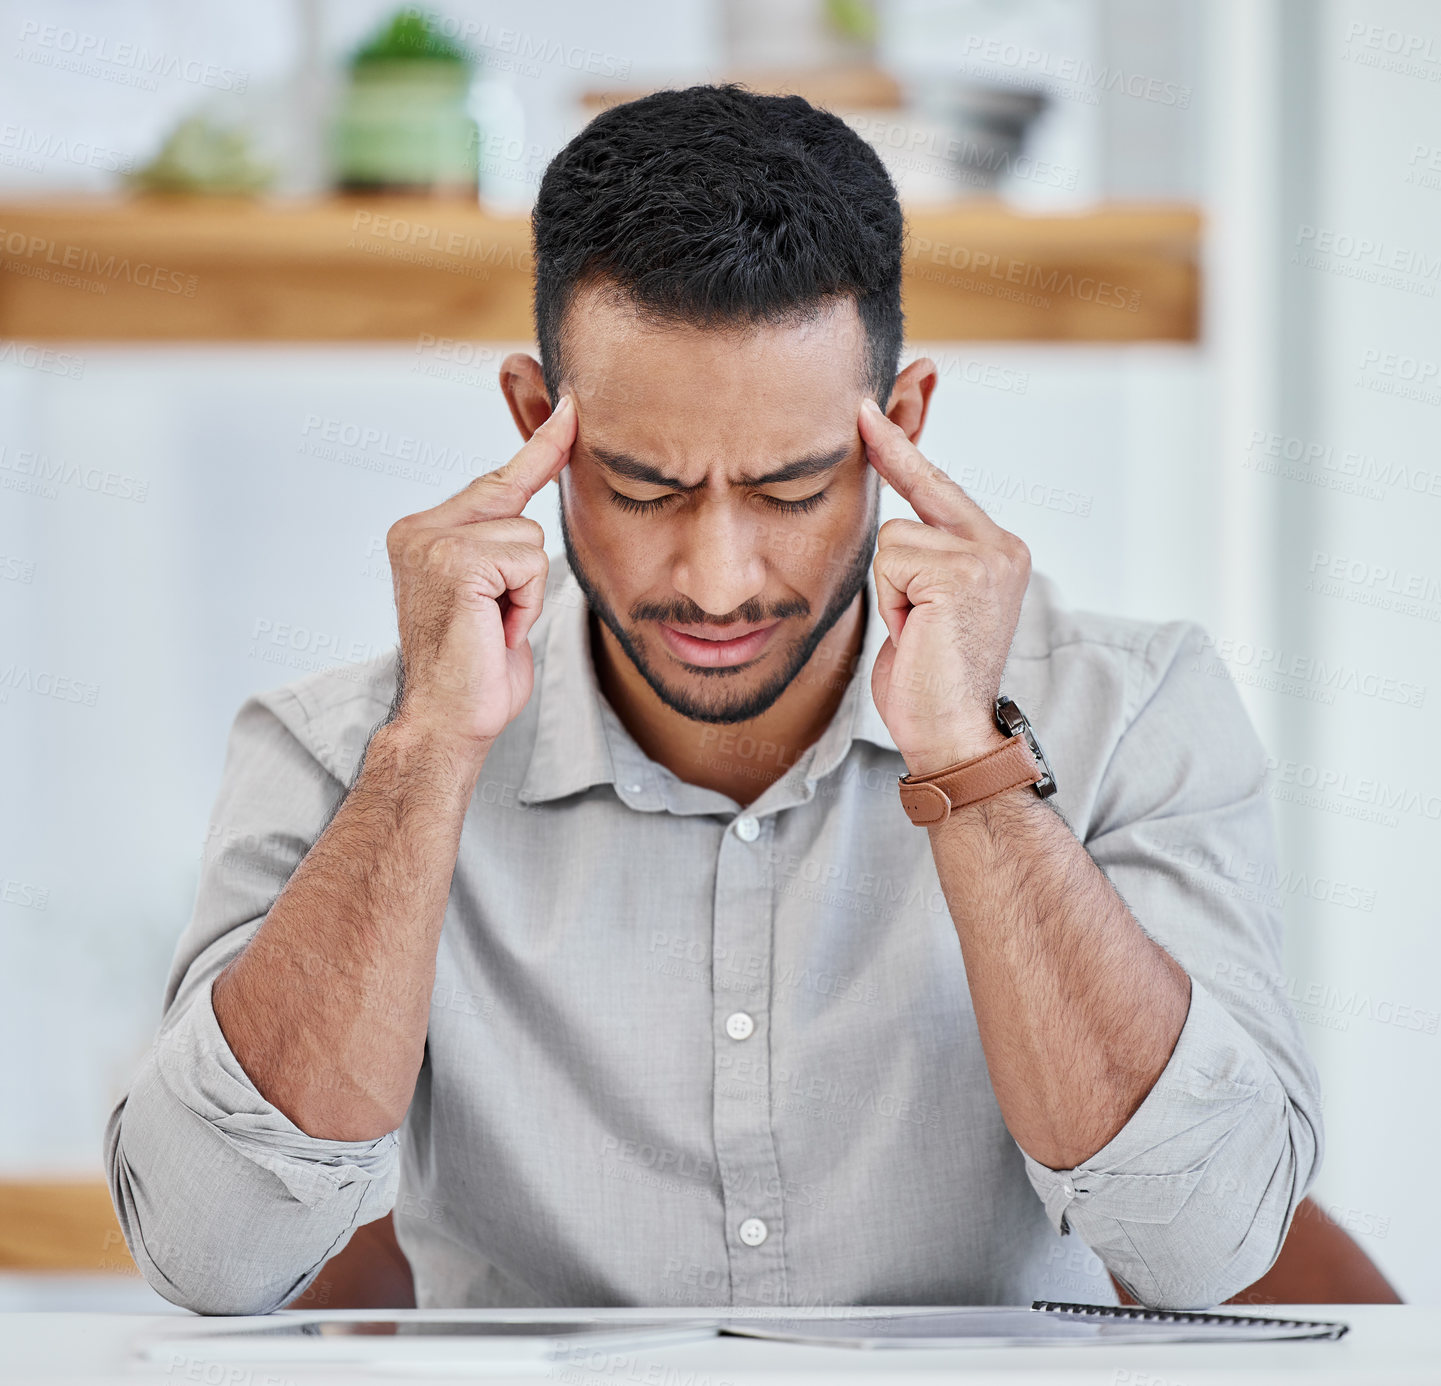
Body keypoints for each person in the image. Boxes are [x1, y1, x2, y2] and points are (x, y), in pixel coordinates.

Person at [105, 84, 1322, 1316]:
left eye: (792, 490)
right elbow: (214, 1257)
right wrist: (425, 756)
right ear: (538, 429)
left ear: (900, 430)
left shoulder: (1135, 709)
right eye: (642, 489)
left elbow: (1202, 1250)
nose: (717, 581)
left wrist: (969, 764)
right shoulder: (337, 751)